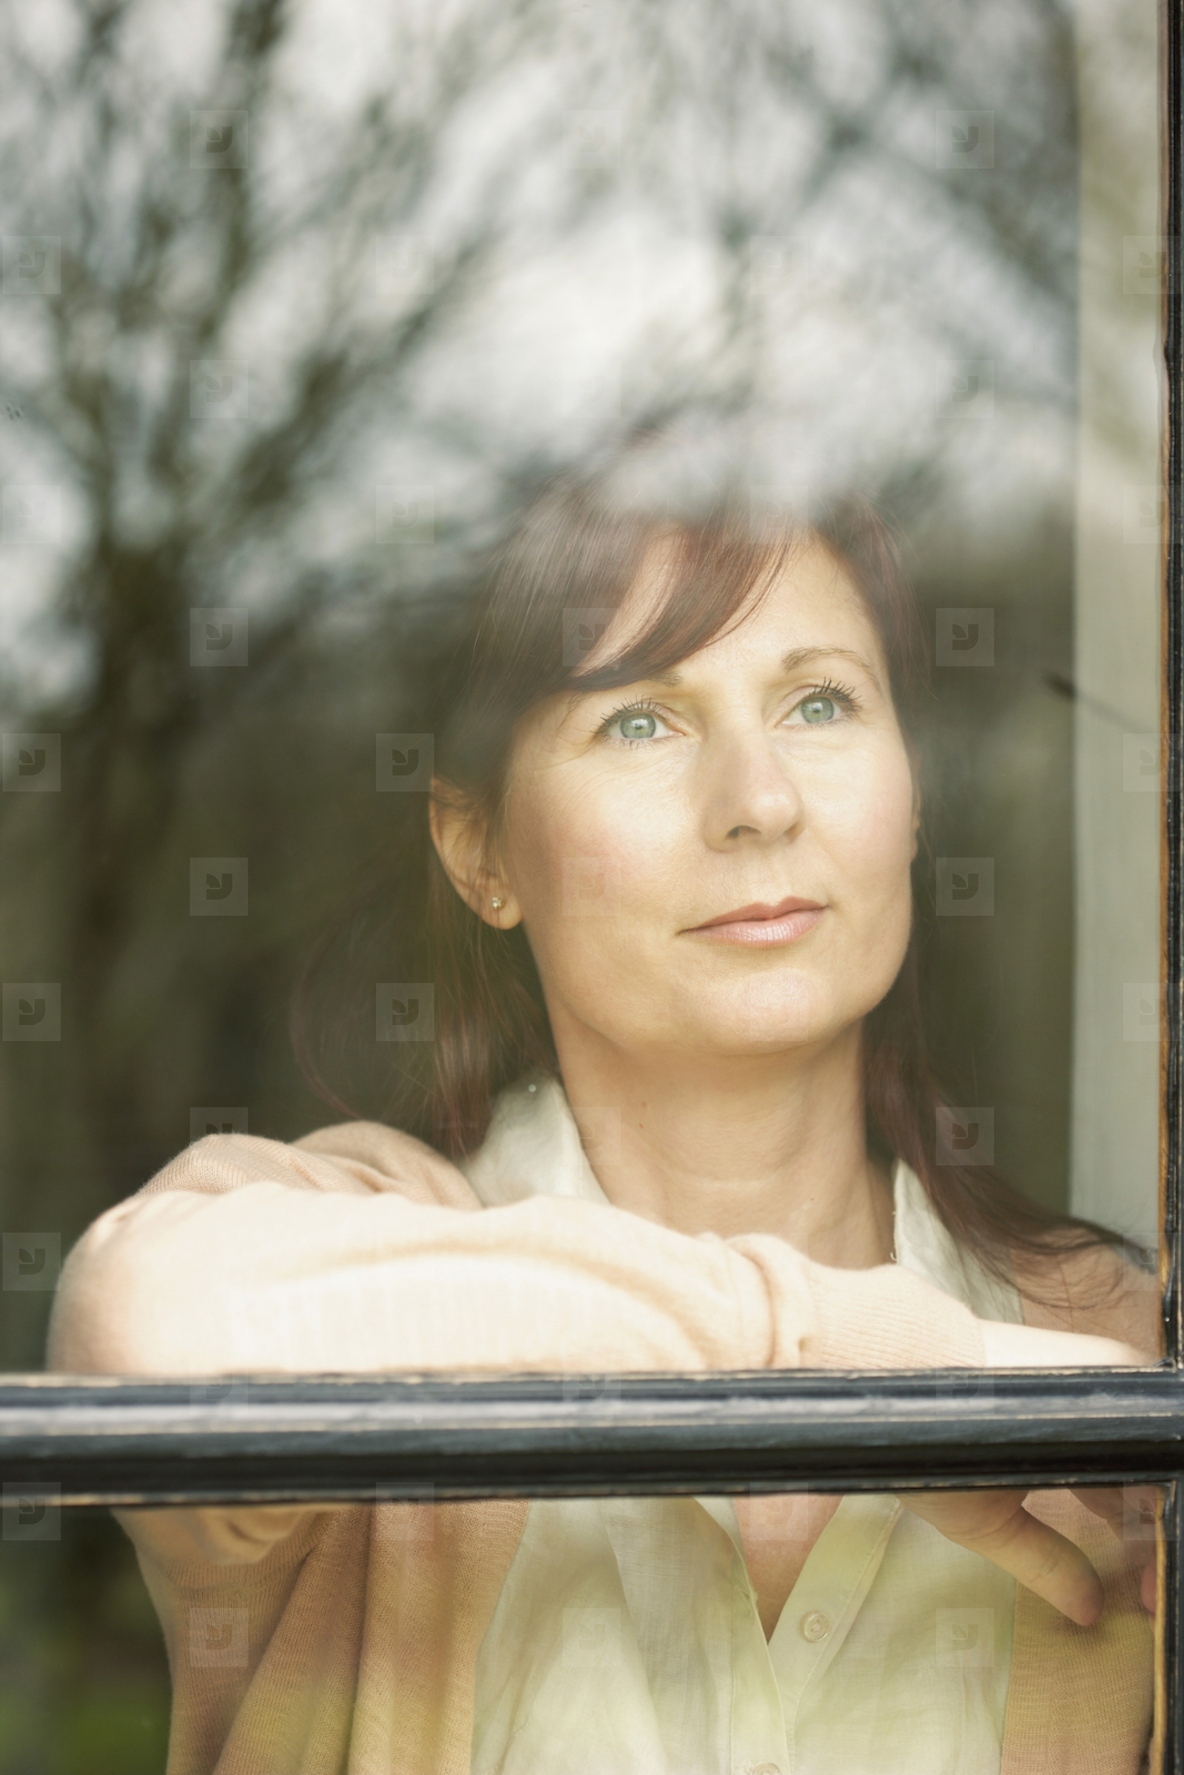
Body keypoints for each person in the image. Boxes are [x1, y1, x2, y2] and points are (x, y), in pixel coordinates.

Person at [47, 479, 1158, 1775]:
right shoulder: (355, 1250)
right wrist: (819, 1346)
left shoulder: (1112, 1341)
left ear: (911, 798)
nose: (758, 801)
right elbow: (149, 1332)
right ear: (480, 853)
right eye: (640, 720)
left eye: (819, 703)